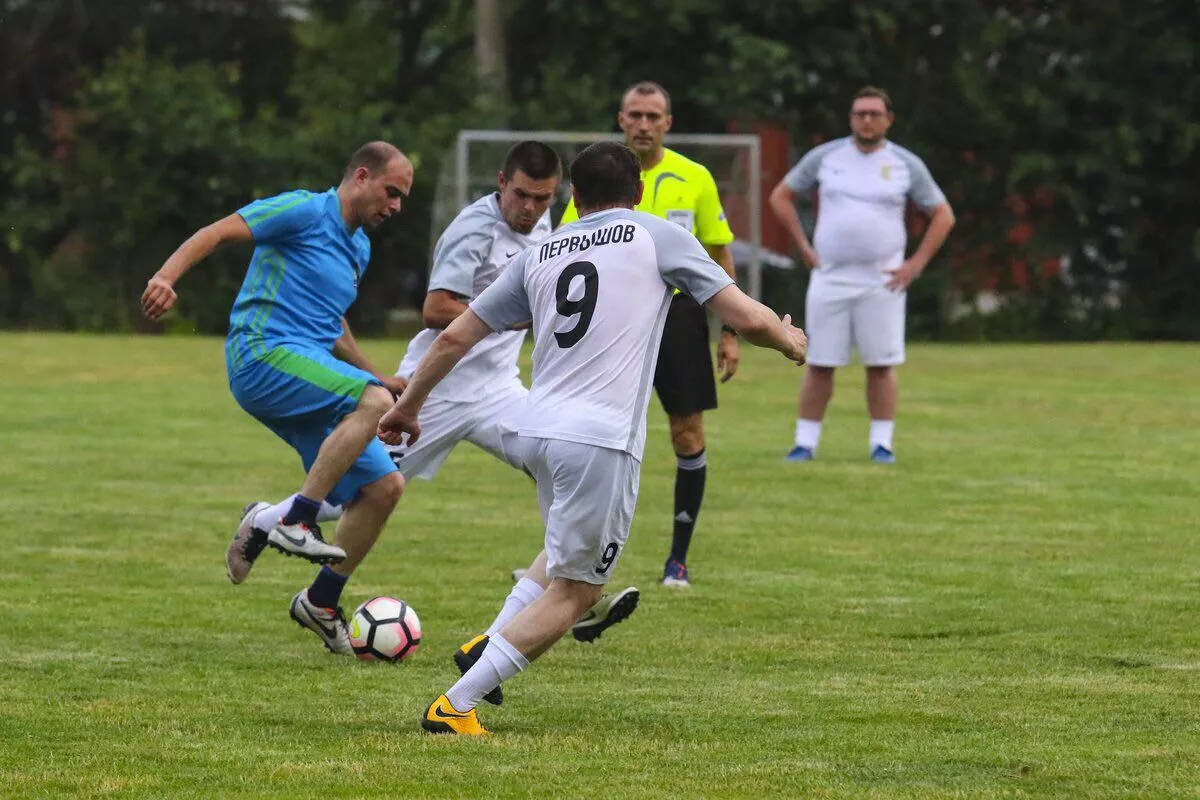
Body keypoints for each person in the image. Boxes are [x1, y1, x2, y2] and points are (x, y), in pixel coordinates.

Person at [378, 141, 807, 735]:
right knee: (578, 590)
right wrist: (788, 340)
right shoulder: (657, 235)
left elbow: (453, 337)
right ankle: (456, 705)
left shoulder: (541, 251)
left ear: (574, 197)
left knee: (558, 557)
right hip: (599, 439)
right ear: (639, 192)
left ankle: (489, 642)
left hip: (535, 429)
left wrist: (407, 406)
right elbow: (749, 318)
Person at [231, 142, 639, 654]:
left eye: (542, 198)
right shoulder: (474, 228)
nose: (531, 208)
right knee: (362, 493)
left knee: (564, 468)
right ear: (501, 183)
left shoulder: (546, 228)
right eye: (521, 195)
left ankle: (568, 589)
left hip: (499, 392)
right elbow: (436, 308)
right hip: (435, 392)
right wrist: (516, 316)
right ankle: (268, 519)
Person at [142, 141, 414, 646]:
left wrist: (375, 373)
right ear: (361, 176)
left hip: (306, 370)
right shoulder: (304, 211)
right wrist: (165, 277)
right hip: (261, 353)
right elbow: (216, 232)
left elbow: (330, 321)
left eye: (401, 198)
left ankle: (320, 601)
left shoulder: (359, 247)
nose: (396, 206)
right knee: (373, 403)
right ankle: (296, 520)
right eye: (391, 192)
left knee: (385, 488)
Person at [558, 81, 739, 588]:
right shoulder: (598, 174)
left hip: (679, 316)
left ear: (668, 123)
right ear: (621, 120)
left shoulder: (694, 177)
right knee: (589, 431)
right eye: (634, 115)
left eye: (652, 116)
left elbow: (719, 252)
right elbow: (567, 244)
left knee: (687, 433)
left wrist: (729, 331)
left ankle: (677, 560)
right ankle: (566, 555)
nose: (643, 124)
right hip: (614, 315)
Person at [769, 86, 955, 463]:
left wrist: (915, 264)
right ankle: (805, 443)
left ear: (889, 119)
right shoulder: (826, 157)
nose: (866, 120)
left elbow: (943, 214)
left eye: (874, 114)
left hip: (883, 281)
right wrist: (803, 246)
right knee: (819, 362)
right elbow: (780, 196)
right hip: (830, 277)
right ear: (851, 118)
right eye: (859, 113)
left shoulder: (905, 163)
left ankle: (881, 444)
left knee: (881, 364)